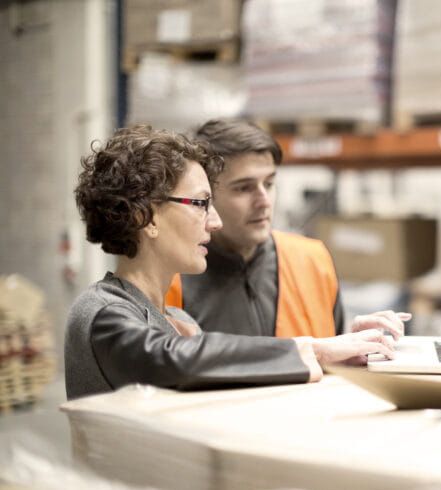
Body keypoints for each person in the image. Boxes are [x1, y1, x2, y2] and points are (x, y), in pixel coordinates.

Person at [64, 125, 395, 400]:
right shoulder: (102, 312)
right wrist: (316, 351)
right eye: (200, 203)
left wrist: (341, 356)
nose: (215, 221)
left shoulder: (177, 319)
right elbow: (171, 360)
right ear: (145, 217)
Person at [164, 118, 409, 340]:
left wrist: (351, 343)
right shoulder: (172, 279)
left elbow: (329, 363)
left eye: (269, 184)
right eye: (244, 188)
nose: (264, 201)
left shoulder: (311, 260)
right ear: (206, 196)